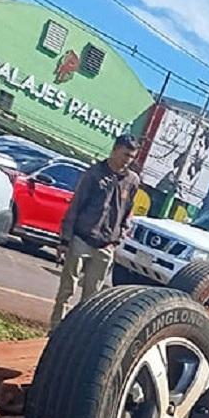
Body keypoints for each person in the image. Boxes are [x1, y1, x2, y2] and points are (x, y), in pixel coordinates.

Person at [50, 134, 142, 329]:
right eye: (126, 154)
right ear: (115, 149)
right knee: (67, 289)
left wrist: (120, 235)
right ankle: (55, 330)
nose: (128, 160)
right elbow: (75, 206)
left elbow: (128, 210)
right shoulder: (94, 174)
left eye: (132, 157)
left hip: (106, 245)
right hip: (81, 239)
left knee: (91, 299)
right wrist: (65, 240)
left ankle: (78, 334)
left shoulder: (132, 181)